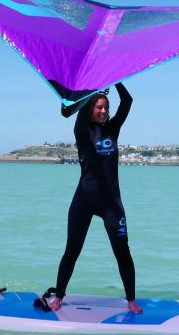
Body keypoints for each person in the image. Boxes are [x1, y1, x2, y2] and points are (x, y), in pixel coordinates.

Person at [39, 83, 143, 314]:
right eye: (99, 107)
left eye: (106, 107)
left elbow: (128, 102)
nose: (104, 111)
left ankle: (131, 300)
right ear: (90, 109)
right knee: (72, 249)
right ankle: (58, 297)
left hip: (111, 204)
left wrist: (115, 79)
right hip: (84, 201)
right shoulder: (82, 130)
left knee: (122, 250)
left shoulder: (113, 129)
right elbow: (76, 109)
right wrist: (92, 86)